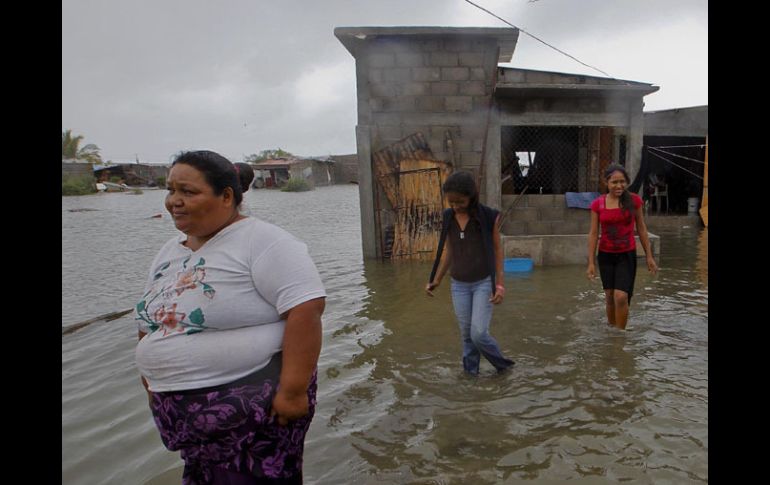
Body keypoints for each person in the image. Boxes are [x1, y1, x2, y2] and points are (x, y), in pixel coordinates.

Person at [134, 150, 326, 484]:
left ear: (226, 196)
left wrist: (293, 392)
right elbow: (153, 320)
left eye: (188, 192)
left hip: (253, 409)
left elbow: (306, 308)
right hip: (182, 418)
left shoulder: (264, 241)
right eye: (170, 190)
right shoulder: (169, 251)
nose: (174, 201)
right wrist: (153, 382)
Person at [425, 171, 514, 376]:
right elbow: (449, 251)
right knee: (467, 336)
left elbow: (497, 250)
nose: (455, 206)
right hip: (459, 285)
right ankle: (470, 375)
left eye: (460, 201)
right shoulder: (448, 217)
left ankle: (503, 366)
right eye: (451, 202)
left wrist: (500, 285)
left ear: (471, 196)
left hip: (483, 282)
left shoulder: (487, 216)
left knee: (479, 334)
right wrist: (436, 280)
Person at [587, 164, 658, 330]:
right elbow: (593, 233)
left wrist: (649, 256)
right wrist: (590, 262)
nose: (619, 186)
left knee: (621, 297)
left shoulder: (634, 201)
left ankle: (620, 335)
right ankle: (612, 329)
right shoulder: (598, 204)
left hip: (626, 255)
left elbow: (641, 228)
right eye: (614, 182)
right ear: (606, 183)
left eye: (622, 182)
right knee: (610, 296)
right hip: (605, 255)